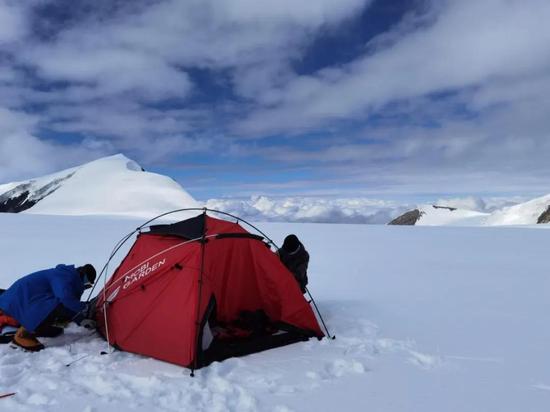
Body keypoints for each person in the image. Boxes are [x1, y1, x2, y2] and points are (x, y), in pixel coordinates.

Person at [0, 264, 97, 352]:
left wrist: (80, 316)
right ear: (82, 274)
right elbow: (64, 299)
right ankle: (21, 336)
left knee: (55, 331)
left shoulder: (68, 278)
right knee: (55, 308)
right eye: (87, 282)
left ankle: (29, 329)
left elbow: (68, 302)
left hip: (26, 302)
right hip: (18, 303)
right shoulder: (63, 276)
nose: (86, 286)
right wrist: (83, 311)